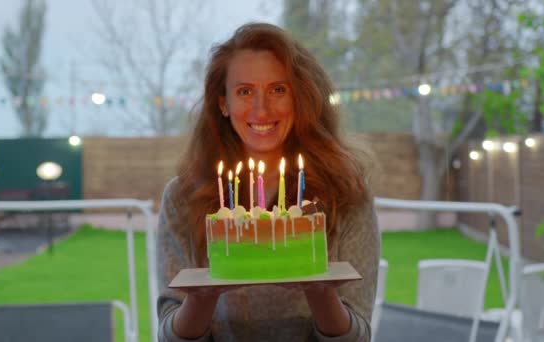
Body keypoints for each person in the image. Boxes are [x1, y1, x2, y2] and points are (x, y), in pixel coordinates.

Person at [157, 22, 379, 341]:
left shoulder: (345, 193)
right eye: (245, 91)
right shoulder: (182, 197)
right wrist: (202, 296)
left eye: (278, 90)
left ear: (299, 98)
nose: (261, 110)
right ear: (223, 103)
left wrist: (319, 291)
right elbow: (168, 335)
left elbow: (358, 337)